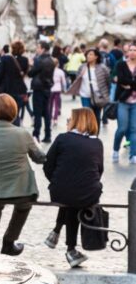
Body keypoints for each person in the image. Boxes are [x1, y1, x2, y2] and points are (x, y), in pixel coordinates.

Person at [0, 95, 46, 255]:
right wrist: (38, 146)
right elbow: (40, 158)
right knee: (24, 207)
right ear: (14, 112)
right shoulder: (23, 134)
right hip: (20, 191)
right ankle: (9, 242)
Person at [43, 107, 103, 268]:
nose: (68, 120)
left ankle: (59, 234)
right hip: (87, 192)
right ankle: (70, 248)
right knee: (76, 194)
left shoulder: (62, 139)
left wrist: (58, 181)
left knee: (71, 195)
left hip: (60, 190)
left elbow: (47, 165)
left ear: (77, 121)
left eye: (70, 118)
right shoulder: (97, 143)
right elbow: (99, 171)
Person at [66, 47, 109, 125]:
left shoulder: (103, 68)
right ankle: (88, 135)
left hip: (98, 97)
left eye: (91, 54)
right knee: (87, 116)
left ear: (96, 57)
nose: (88, 56)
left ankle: (95, 135)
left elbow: (107, 81)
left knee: (96, 117)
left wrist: (106, 95)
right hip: (85, 95)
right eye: (87, 54)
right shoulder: (82, 67)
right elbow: (78, 79)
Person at [0, 41, 29, 126]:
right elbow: (25, 73)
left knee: (5, 112)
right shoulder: (25, 60)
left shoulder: (5, 59)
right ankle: (16, 129)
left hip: (7, 89)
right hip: (19, 90)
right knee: (16, 112)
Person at [112, 42, 136, 163]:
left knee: (133, 129)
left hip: (135, 103)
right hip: (123, 100)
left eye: (135, 50)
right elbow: (120, 78)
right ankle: (115, 150)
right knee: (122, 128)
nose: (132, 52)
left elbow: (124, 80)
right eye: (130, 50)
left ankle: (133, 155)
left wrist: (129, 84)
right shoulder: (121, 64)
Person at [29, 41, 56, 142]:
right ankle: (48, 135)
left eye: (38, 47)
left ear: (43, 49)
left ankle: (36, 134)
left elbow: (31, 73)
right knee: (47, 113)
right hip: (47, 88)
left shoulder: (38, 60)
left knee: (38, 113)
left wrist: (31, 65)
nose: (37, 49)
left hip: (38, 88)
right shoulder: (51, 60)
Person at [49, 58, 69, 127]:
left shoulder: (49, 71)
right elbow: (64, 81)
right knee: (56, 105)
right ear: (58, 64)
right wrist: (65, 89)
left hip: (50, 89)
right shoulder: (60, 71)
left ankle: (50, 117)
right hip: (58, 89)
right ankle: (55, 119)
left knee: (50, 105)